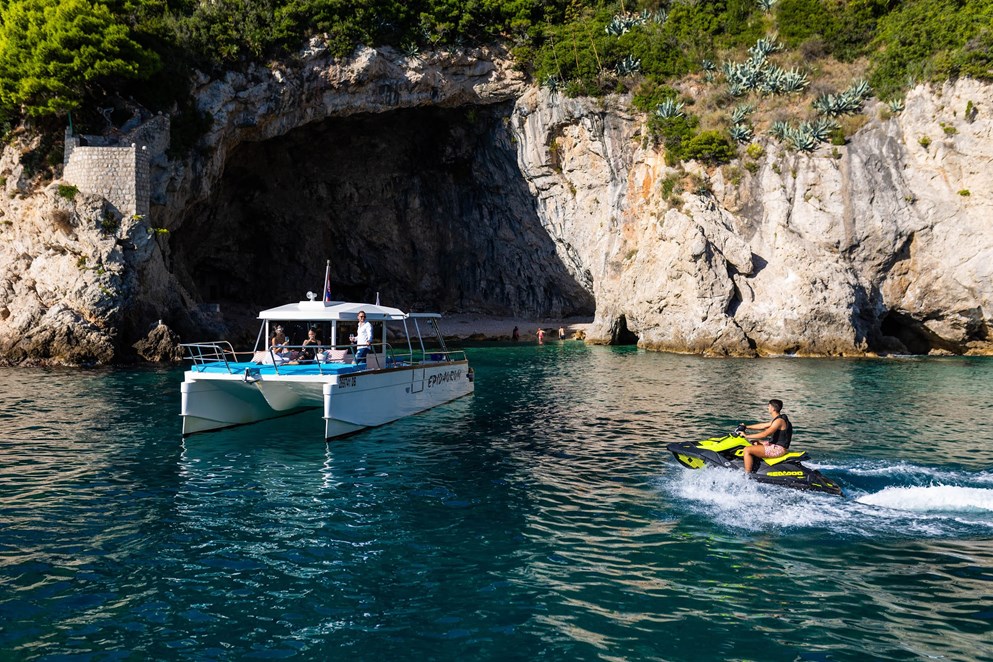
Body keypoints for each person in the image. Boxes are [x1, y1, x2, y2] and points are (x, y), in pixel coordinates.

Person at [740, 399, 793, 474]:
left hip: (778, 449)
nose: (768, 408)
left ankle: (747, 474)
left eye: (769, 406)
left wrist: (746, 436)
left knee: (747, 449)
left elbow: (765, 434)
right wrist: (746, 427)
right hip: (775, 445)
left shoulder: (779, 421)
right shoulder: (779, 419)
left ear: (773, 408)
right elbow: (763, 426)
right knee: (754, 443)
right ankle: (757, 466)